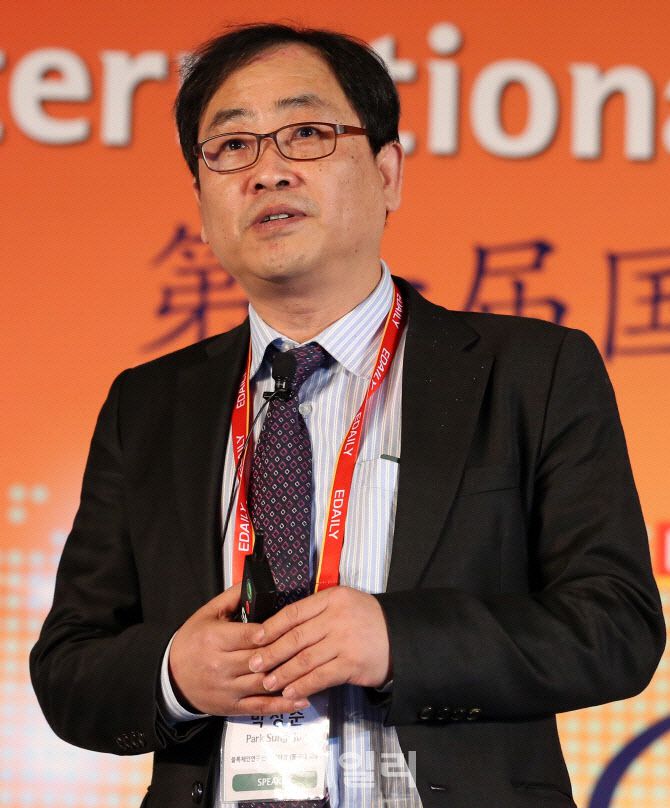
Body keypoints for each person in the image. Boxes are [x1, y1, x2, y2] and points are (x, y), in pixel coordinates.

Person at [30, 23, 665, 808]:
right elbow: (68, 667)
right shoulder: (149, 405)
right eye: (232, 147)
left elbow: (615, 627)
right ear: (201, 203)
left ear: (388, 173)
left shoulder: (531, 372)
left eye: (306, 134)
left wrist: (399, 641)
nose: (267, 172)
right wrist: (174, 674)